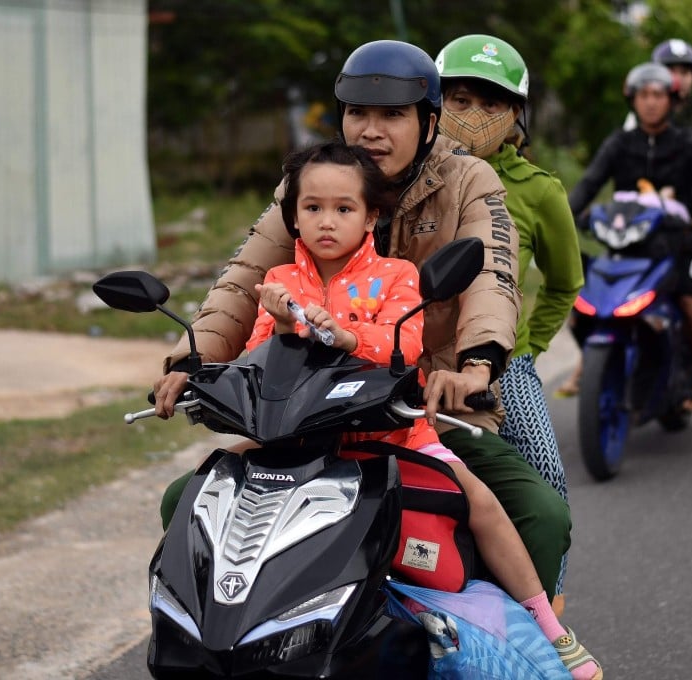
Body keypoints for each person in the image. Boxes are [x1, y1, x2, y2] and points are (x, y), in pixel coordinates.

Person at [152, 40, 576, 623]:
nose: (371, 131)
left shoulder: (470, 180)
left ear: (429, 122)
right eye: (358, 113)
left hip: (424, 411)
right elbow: (245, 277)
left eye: (393, 115)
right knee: (188, 501)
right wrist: (188, 360)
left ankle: (523, 635)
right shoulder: (313, 180)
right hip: (307, 418)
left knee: (540, 512)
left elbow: (493, 275)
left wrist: (474, 367)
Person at [247, 139, 599, 677]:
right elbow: (256, 363)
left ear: (371, 216)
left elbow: (402, 347)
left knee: (477, 498)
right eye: (312, 208)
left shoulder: (397, 277)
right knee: (212, 485)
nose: (326, 222)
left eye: (344, 209)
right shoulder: (278, 283)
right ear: (292, 215)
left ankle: (548, 625)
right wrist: (280, 328)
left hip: (393, 432)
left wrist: (345, 336)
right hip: (305, 438)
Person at [434, 34, 583, 599]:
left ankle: (547, 611)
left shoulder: (539, 192)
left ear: (518, 116)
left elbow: (566, 283)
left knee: (546, 491)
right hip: (410, 356)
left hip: (498, 369)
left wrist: (526, 349)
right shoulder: (407, 181)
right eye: (461, 100)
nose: (474, 117)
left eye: (492, 105)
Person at [567, 62, 692, 412]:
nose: (650, 102)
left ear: (671, 100)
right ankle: (592, 366)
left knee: (689, 300)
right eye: (643, 95)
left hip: (675, 246)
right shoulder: (619, 144)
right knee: (581, 304)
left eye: (657, 95)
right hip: (625, 248)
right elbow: (589, 184)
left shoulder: (690, 144)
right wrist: (565, 213)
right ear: (632, 100)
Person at [624, 39, 692, 371]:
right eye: (672, 69)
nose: (679, 76)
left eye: (686, 71)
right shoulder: (639, 115)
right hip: (647, 210)